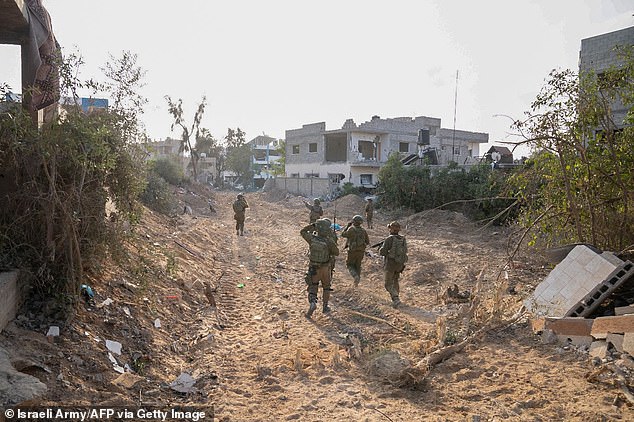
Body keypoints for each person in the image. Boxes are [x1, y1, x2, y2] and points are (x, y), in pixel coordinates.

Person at [300, 218, 339, 318]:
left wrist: (313, 225)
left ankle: (313, 303)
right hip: (326, 269)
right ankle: (325, 307)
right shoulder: (329, 241)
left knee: (313, 286)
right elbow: (336, 252)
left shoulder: (312, 239)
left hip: (314, 268)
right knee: (326, 287)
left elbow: (302, 231)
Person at [378, 221, 408, 308]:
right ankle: (397, 298)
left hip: (390, 264)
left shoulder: (389, 239)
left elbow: (382, 252)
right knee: (395, 280)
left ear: (391, 229)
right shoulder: (403, 239)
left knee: (387, 284)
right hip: (399, 264)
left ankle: (396, 299)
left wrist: (382, 247)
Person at [341, 215, 370, 287]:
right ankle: (356, 283)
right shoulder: (363, 231)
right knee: (358, 265)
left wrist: (347, 226)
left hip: (352, 251)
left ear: (354, 221)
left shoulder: (351, 229)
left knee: (349, 265)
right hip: (361, 251)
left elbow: (343, 234)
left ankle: (355, 276)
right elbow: (367, 241)